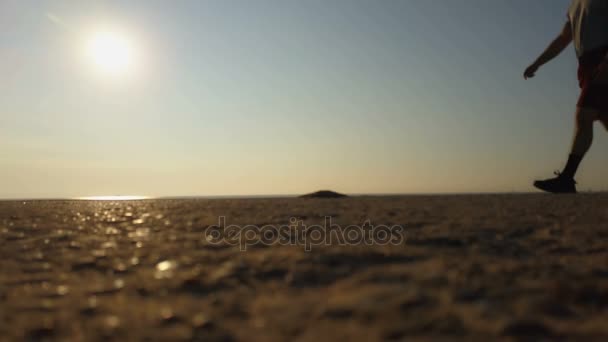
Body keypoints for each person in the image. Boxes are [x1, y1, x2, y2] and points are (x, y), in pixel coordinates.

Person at [524, 0, 608, 193]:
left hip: (602, 61)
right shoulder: (575, 5)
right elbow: (563, 38)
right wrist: (538, 63)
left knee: (583, 115)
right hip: (586, 65)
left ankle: (567, 178)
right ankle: (566, 179)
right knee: (602, 116)